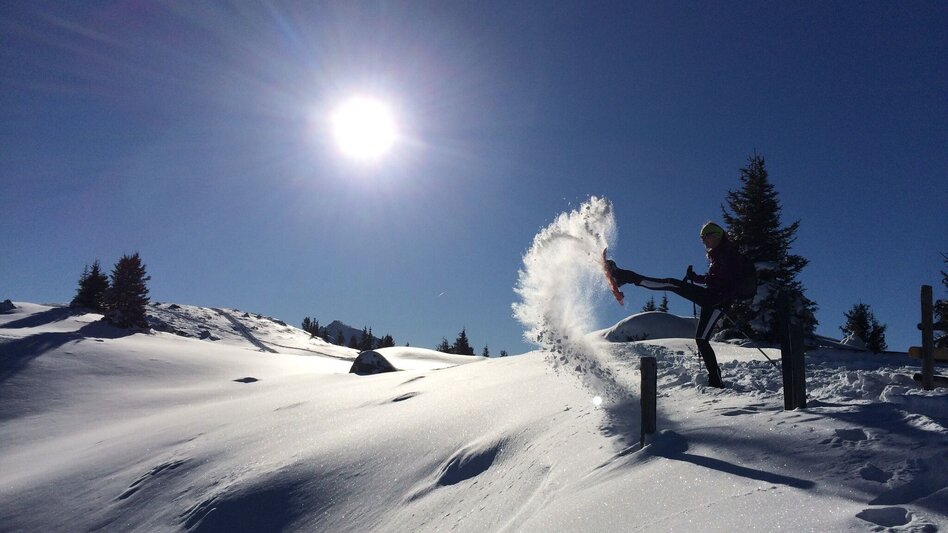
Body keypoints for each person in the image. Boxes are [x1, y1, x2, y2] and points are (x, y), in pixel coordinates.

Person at [606, 222, 755, 388]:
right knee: (701, 339)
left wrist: (724, 297)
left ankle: (623, 276)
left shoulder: (728, 254)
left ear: (716, 235)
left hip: (716, 301)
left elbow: (733, 282)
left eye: (706, 237)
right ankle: (716, 381)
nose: (704, 242)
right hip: (713, 299)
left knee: (671, 284)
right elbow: (715, 280)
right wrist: (695, 277)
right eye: (701, 239)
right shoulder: (719, 255)